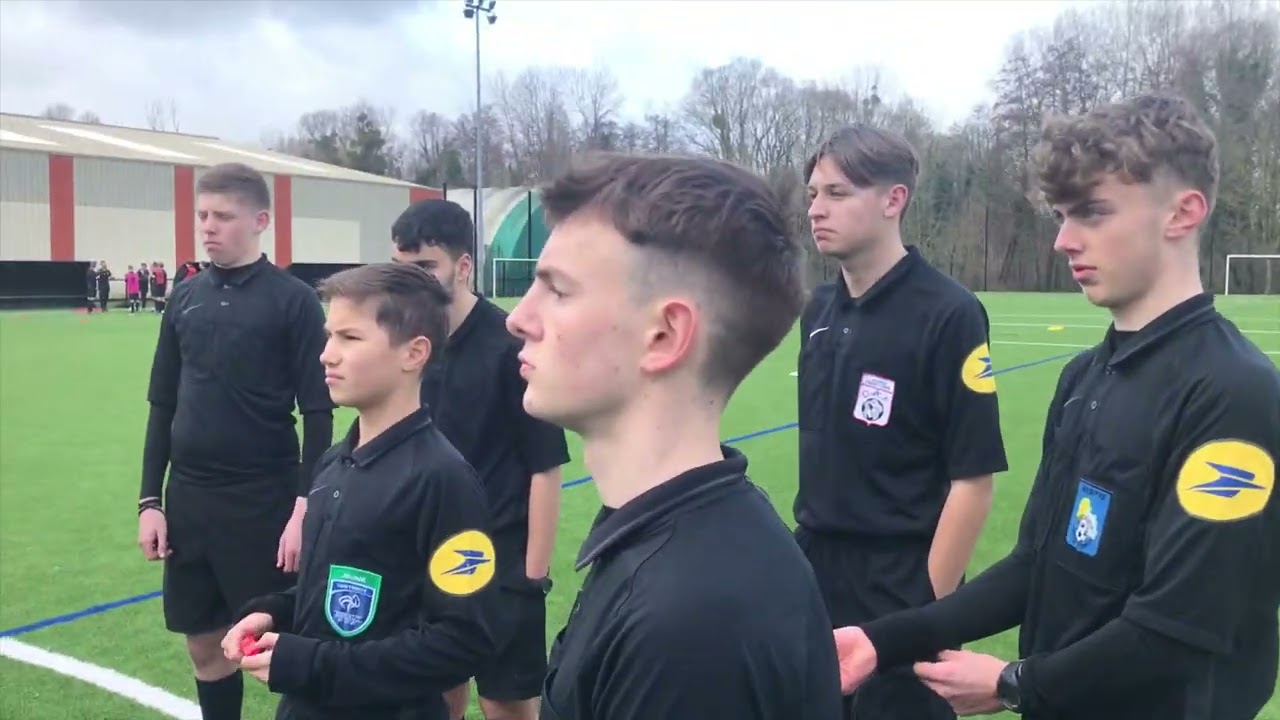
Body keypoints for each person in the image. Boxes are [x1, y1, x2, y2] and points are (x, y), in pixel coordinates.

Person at [834, 93, 1280, 720]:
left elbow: (1179, 628)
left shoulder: (1232, 392)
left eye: (1092, 213)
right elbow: (1034, 566)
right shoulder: (1083, 378)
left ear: (1183, 213)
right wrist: (882, 640)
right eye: (1062, 215)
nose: (1063, 240)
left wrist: (1015, 682)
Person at [506, 152, 844, 719]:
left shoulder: (690, 622)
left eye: (557, 291)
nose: (518, 317)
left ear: (664, 334)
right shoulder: (677, 539)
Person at [221, 262, 504, 720]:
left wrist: (310, 664)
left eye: (349, 338)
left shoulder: (443, 480)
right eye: (329, 335)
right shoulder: (334, 462)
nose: (326, 355)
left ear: (414, 354)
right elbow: (342, 592)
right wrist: (275, 613)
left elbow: (464, 641)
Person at [799, 124, 1008, 719]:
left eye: (837, 194)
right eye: (813, 194)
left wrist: (926, 617)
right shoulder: (818, 310)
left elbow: (974, 484)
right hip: (814, 577)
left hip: (901, 585)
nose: (816, 209)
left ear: (894, 200)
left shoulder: (949, 313)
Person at [136, 162, 335, 720]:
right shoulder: (184, 298)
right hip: (191, 501)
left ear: (261, 220)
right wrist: (151, 501)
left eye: (223, 216)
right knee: (203, 643)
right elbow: (162, 405)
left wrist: (303, 507)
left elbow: (318, 414)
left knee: (277, 646)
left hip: (263, 504)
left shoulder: (294, 301)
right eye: (202, 215)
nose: (208, 227)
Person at [390, 199, 570, 720]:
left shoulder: (509, 347)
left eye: (426, 268)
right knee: (437, 699)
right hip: (423, 555)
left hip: (500, 564)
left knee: (506, 706)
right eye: (403, 270)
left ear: (463, 267)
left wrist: (531, 579)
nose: (413, 283)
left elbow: (546, 467)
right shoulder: (408, 347)